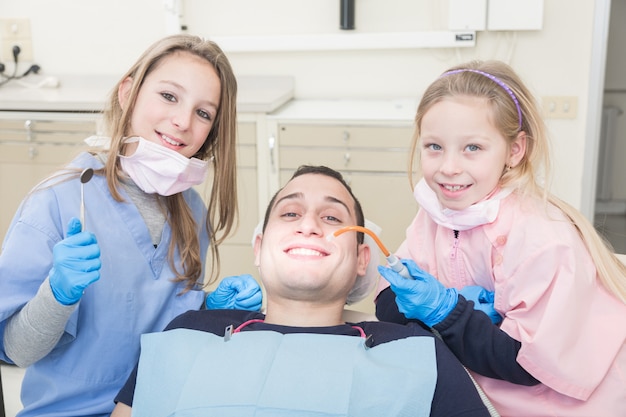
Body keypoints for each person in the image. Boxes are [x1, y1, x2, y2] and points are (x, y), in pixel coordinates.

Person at [0, 34, 261, 417]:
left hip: (160, 407)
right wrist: (57, 296)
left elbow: (153, 324)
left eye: (204, 113)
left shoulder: (191, 211)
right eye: (169, 96)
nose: (182, 121)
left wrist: (208, 311)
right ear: (129, 93)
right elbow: (17, 351)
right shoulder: (59, 199)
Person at [110, 165, 493, 417]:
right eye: (290, 213)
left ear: (363, 259)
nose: (309, 225)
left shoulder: (415, 351)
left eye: (331, 217)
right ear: (259, 248)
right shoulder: (188, 332)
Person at [375, 60, 626, 416]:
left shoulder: (540, 238)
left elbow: (526, 365)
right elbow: (387, 303)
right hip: (484, 386)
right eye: (434, 146)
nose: (448, 167)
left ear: (514, 150)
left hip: (561, 403)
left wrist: (448, 314)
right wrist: (447, 313)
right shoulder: (438, 213)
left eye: (472, 148)